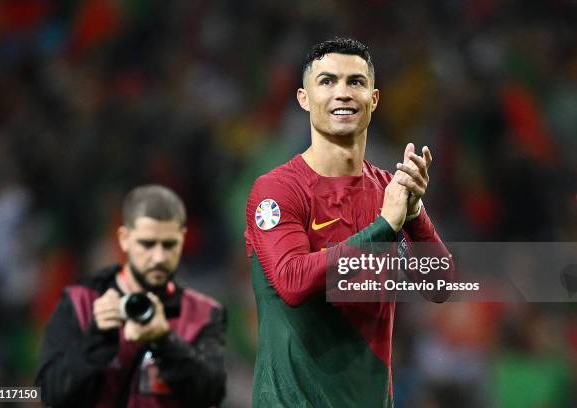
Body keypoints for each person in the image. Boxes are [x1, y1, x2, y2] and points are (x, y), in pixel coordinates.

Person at [244, 37, 453, 407]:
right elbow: (292, 280)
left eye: (355, 82)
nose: (342, 93)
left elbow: (441, 286)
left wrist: (416, 216)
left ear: (373, 99)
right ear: (303, 98)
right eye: (327, 81)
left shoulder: (390, 191)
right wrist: (384, 228)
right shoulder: (276, 190)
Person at [36, 185, 226, 408]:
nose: (158, 257)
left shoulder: (203, 313)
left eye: (169, 244)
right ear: (124, 238)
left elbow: (211, 393)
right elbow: (51, 394)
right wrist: (96, 340)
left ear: (183, 239)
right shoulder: (80, 304)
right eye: (147, 244)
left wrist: (165, 341)